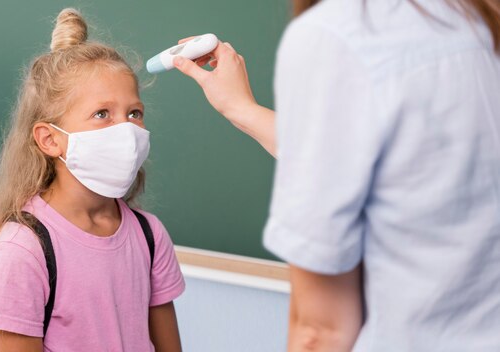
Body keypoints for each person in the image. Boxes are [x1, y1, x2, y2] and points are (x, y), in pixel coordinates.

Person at [174, 0, 500, 350]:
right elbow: (392, 160)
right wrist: (241, 109)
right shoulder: (477, 20)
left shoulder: (337, 34)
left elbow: (321, 329)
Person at [0, 8, 184, 352]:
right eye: (102, 114)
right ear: (50, 139)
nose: (126, 129)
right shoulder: (24, 249)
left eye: (134, 113)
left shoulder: (149, 236)